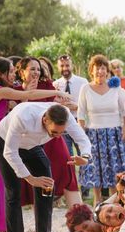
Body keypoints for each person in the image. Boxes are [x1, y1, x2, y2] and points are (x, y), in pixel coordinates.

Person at [0, 57, 68, 232]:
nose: (14, 74)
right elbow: (24, 96)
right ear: (0, 74)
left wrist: (27, 93)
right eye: (11, 71)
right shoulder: (0, 90)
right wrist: (55, 92)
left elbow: (23, 101)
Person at [0, 102, 91, 232]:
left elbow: (83, 139)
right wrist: (31, 179)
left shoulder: (65, 116)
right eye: (54, 132)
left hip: (32, 146)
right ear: (45, 119)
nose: (57, 136)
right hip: (6, 144)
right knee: (13, 193)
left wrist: (85, 157)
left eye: (61, 133)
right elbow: (10, 152)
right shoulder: (23, 116)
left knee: (47, 187)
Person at [14, 56, 83, 210]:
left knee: (67, 170)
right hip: (30, 142)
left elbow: (57, 104)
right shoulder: (16, 91)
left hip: (52, 139)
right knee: (39, 179)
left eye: (39, 69)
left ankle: (81, 218)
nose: (36, 72)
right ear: (22, 72)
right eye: (33, 69)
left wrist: (68, 104)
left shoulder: (47, 86)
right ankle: (41, 226)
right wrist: (27, 93)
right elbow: (17, 114)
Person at [77, 54, 125, 206]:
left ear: (107, 71)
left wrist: (124, 129)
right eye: (96, 68)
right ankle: (97, 200)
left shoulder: (116, 88)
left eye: (102, 68)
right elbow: (81, 113)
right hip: (94, 133)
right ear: (91, 71)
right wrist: (82, 132)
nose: (100, 71)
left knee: (115, 167)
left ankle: (116, 199)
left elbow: (124, 112)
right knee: (96, 167)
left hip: (114, 133)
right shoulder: (85, 88)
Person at [53, 55, 89, 155]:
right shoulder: (55, 84)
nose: (65, 68)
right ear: (58, 67)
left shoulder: (83, 82)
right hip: (63, 123)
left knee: (84, 153)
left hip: (80, 122)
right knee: (67, 156)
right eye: (62, 66)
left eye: (67, 65)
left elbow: (90, 104)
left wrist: (77, 107)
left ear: (72, 66)